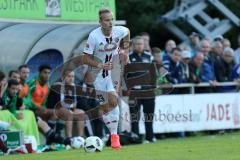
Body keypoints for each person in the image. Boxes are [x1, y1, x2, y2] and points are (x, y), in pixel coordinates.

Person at [79, 8, 130, 149]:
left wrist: (125, 51)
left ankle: (114, 136)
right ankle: (112, 133)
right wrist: (101, 64)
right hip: (97, 75)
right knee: (105, 107)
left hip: (113, 70)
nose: (110, 23)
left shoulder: (119, 30)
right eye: (107, 20)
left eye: (112, 19)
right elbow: (85, 58)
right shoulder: (94, 36)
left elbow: (127, 33)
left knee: (113, 100)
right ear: (100, 22)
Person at [128, 36, 155, 143]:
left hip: (148, 91)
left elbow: (153, 73)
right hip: (134, 92)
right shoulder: (128, 57)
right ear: (133, 45)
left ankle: (150, 137)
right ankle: (136, 137)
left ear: (144, 45)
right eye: (137, 44)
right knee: (134, 117)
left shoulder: (149, 57)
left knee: (149, 116)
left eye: (141, 44)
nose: (139, 46)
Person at [46, 70, 85, 138]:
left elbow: (75, 104)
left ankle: (80, 138)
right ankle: (69, 138)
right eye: (69, 76)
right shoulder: (57, 86)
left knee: (81, 113)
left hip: (67, 109)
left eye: (73, 76)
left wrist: (72, 106)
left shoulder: (73, 87)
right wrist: (71, 107)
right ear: (63, 78)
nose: (71, 78)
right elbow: (60, 104)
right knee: (68, 113)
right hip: (54, 109)